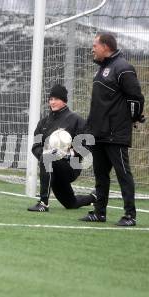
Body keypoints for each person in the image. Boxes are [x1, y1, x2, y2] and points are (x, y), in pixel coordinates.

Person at [80, 33, 145, 226]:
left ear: (106, 46)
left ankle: (130, 215)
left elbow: (136, 99)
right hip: (99, 133)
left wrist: (133, 118)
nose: (92, 49)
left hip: (116, 134)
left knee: (123, 174)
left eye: (95, 45)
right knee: (100, 175)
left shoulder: (123, 68)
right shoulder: (102, 69)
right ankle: (99, 213)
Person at [28, 84, 95, 212]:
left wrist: (70, 153)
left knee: (47, 158)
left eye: (56, 99)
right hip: (51, 170)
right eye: (51, 99)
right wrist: (44, 153)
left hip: (70, 167)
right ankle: (94, 197)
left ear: (64, 101)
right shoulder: (43, 123)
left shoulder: (76, 120)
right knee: (71, 204)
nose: (52, 102)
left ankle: (43, 203)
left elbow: (88, 145)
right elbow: (35, 146)